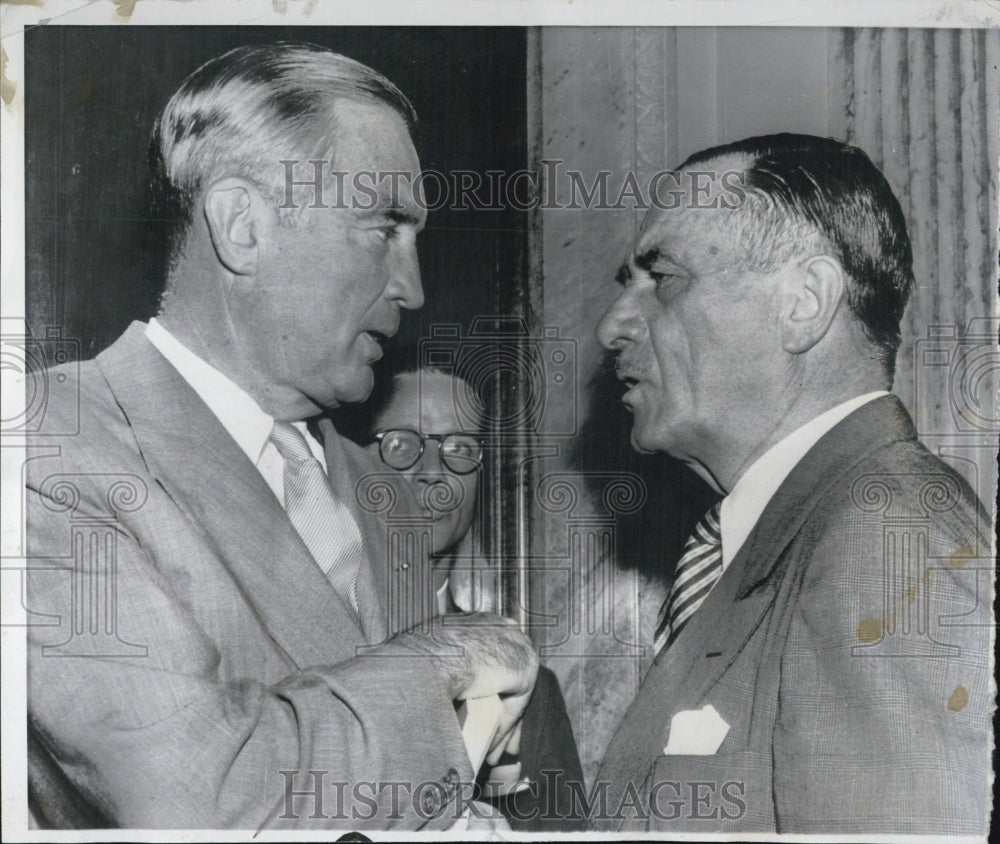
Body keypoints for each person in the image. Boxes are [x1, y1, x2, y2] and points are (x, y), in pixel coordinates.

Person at [23, 43, 538, 831]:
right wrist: (444, 661)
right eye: (384, 228)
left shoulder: (376, 489)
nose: (413, 287)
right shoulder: (47, 450)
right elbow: (197, 791)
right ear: (243, 225)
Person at [592, 134, 992, 834]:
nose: (613, 326)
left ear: (804, 301)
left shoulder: (885, 537)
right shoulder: (783, 539)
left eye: (666, 279)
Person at [364, 368, 586, 831]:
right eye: (402, 445)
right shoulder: (293, 645)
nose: (432, 474)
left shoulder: (527, 691)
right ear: (348, 461)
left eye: (460, 449)